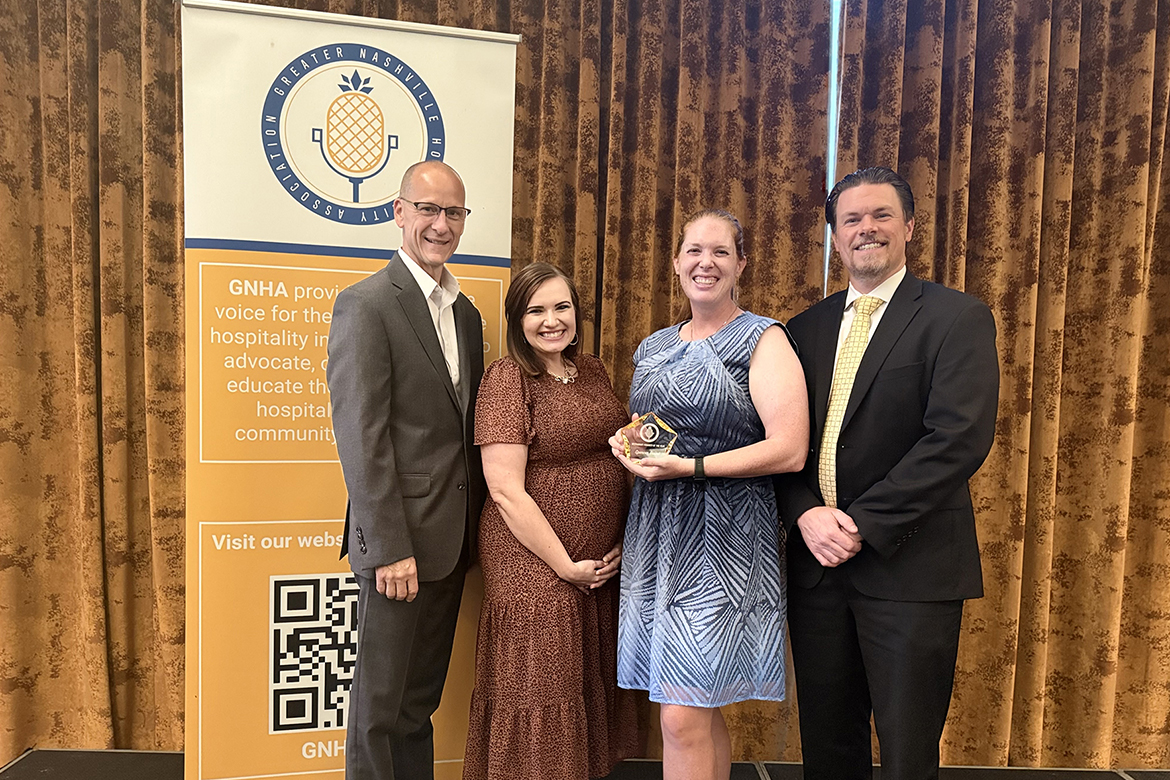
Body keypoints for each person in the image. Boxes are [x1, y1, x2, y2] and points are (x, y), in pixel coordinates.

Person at [777, 166, 1000, 780]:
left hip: (911, 568)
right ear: (834, 237)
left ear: (907, 226)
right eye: (850, 219)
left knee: (907, 753)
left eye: (879, 216)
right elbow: (781, 445)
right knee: (828, 749)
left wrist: (859, 523)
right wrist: (806, 515)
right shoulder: (802, 330)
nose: (865, 229)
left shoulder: (956, 318)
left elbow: (957, 440)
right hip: (817, 571)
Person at [610, 210, 809, 780]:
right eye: (695, 251)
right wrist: (628, 449)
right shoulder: (652, 347)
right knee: (694, 707)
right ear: (676, 262)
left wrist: (692, 467)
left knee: (680, 714)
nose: (706, 263)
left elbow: (789, 449)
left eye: (721, 252)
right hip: (657, 536)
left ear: (741, 264)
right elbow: (649, 428)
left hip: (722, 543)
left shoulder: (763, 339)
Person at [327, 160, 487, 780]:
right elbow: (361, 439)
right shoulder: (366, 305)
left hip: (451, 543)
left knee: (419, 706)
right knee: (378, 709)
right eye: (427, 209)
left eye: (453, 213)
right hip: (399, 546)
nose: (440, 225)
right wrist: (388, 547)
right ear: (399, 212)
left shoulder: (467, 313)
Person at [462, 262, 641, 780]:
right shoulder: (507, 378)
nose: (551, 321)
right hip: (534, 563)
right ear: (517, 319)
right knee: (542, 689)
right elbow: (505, 490)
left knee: (580, 688)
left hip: (595, 566)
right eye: (535, 310)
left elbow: (616, 453)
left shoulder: (592, 370)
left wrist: (621, 541)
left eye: (561, 307)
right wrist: (565, 565)